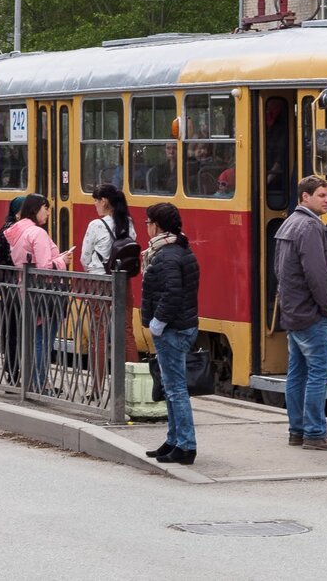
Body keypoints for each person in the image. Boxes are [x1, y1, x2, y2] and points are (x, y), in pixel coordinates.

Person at [273, 176, 327, 451]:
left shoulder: (289, 223)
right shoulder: (309, 226)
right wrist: (326, 306)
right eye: (321, 195)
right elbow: (317, 274)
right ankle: (316, 433)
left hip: (293, 312)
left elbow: (278, 271)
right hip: (311, 313)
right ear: (305, 197)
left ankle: (297, 431)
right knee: (319, 372)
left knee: (297, 374)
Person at [140, 202, 200, 465]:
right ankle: (174, 439)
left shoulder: (165, 256)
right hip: (181, 326)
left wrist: (158, 321)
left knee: (175, 389)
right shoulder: (179, 250)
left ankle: (185, 445)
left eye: (148, 223)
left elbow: (171, 294)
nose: (147, 228)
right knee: (171, 386)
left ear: (157, 225)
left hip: (172, 329)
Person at [5, 194, 70, 392]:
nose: (49, 212)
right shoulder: (37, 233)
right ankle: (39, 383)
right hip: (45, 292)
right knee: (43, 340)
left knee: (35, 338)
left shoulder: (17, 232)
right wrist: (62, 260)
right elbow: (44, 267)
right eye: (46, 208)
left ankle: (32, 381)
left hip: (27, 289)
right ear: (36, 209)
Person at [81, 183, 137, 381]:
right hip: (123, 281)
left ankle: (97, 386)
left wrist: (92, 268)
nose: (95, 205)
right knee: (127, 331)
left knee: (99, 332)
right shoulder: (128, 222)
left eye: (96, 201)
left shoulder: (96, 225)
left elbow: (84, 257)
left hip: (100, 281)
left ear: (104, 201)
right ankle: (133, 384)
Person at [0, 195, 27, 386]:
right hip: (13, 285)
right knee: (15, 329)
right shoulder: (11, 231)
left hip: (8, 285)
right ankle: (13, 370)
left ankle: (12, 370)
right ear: (17, 213)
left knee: (13, 329)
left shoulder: (7, 228)